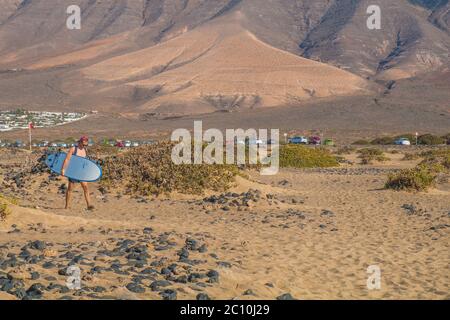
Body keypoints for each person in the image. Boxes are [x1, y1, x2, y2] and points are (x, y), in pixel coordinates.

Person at [61, 136, 94, 210]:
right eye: (84, 143)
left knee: (85, 187)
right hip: (73, 171)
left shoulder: (85, 150)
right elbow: (67, 159)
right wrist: (63, 169)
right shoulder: (73, 149)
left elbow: (85, 162)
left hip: (81, 172)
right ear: (80, 142)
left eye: (86, 143)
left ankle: (89, 205)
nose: (85, 144)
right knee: (70, 189)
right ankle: (67, 206)